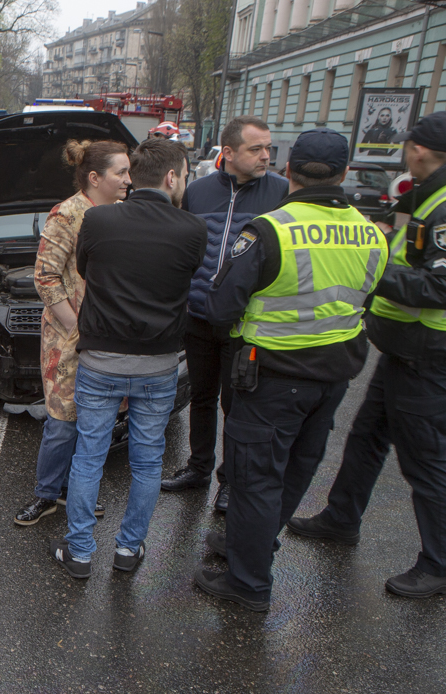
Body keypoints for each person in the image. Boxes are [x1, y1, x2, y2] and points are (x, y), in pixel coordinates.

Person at [193, 128, 389, 611]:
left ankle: (248, 582)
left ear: (288, 170)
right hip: (334, 378)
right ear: (345, 173)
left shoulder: (270, 230)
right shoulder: (372, 233)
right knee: (296, 472)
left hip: (272, 377)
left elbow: (220, 308)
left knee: (256, 478)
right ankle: (251, 546)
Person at [286, 112, 446, 598]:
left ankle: (438, 563)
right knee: (366, 437)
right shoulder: (425, 195)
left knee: (425, 461)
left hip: (428, 354)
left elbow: (438, 286)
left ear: (420, 149)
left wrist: (370, 270)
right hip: (403, 349)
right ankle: (341, 517)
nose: (404, 151)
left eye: (409, 144)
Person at [52, 138, 206, 578]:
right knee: (146, 460)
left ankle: (79, 552)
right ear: (172, 177)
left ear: (134, 175)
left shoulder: (98, 220)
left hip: (100, 361)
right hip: (157, 365)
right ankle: (128, 549)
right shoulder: (192, 229)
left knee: (89, 456)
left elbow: (85, 269)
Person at [161, 116, 288, 512]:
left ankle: (230, 481)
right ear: (228, 153)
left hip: (245, 323)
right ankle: (198, 468)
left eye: (269, 148)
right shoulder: (197, 192)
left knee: (238, 406)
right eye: (256, 149)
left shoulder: (281, 193)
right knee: (201, 397)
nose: (266, 156)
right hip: (197, 317)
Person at [15, 140, 131, 526]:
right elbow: (44, 277)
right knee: (63, 422)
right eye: (121, 172)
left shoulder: (123, 213)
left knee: (95, 421)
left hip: (109, 335)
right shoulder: (67, 215)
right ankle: (47, 493)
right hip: (70, 337)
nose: (129, 179)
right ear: (95, 177)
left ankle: (75, 492)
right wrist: (76, 328)